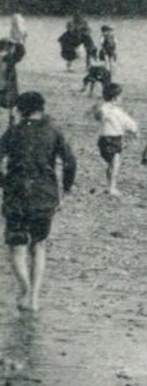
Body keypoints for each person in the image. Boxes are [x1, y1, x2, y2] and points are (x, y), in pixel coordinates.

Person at [0, 92, 75, 311]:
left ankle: (24, 288)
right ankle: (34, 297)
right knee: (39, 244)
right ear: (41, 108)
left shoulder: (13, 132)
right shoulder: (53, 132)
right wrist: (67, 187)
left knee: (17, 246)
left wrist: (3, 182)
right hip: (44, 193)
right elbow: (70, 161)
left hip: (16, 193)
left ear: (20, 110)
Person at [91, 82, 139, 196]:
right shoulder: (116, 111)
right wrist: (135, 131)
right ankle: (112, 187)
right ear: (116, 98)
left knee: (111, 163)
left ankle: (109, 185)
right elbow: (129, 123)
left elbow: (98, 115)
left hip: (103, 138)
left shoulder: (104, 108)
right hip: (114, 139)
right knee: (115, 163)